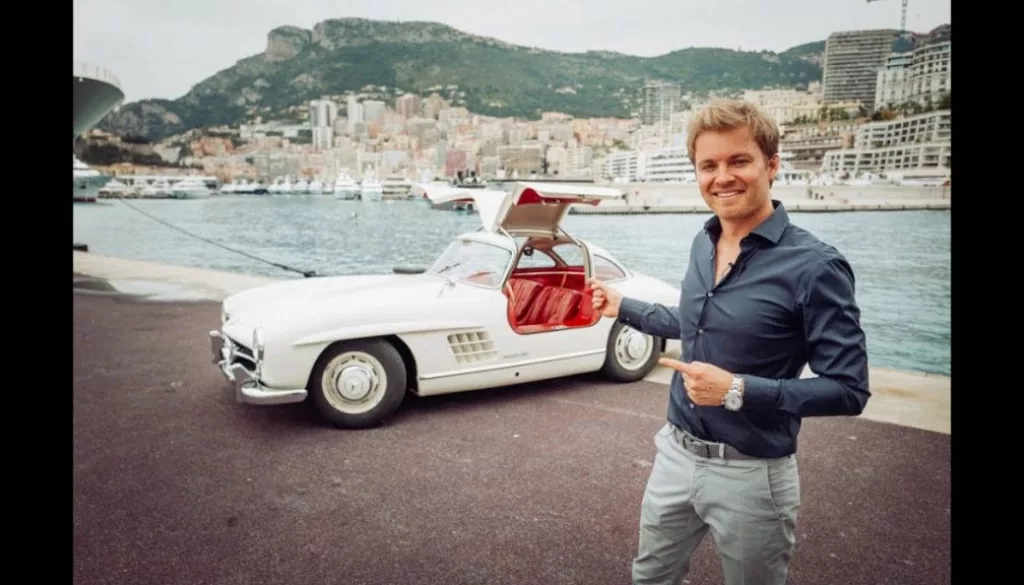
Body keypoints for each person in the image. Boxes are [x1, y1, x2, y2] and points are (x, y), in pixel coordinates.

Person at [589, 98, 870, 585]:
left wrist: (738, 389)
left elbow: (849, 389)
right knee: (650, 576)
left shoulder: (816, 267)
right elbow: (697, 323)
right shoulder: (704, 240)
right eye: (709, 165)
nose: (723, 177)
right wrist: (623, 306)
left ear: (772, 165)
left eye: (739, 160)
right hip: (675, 453)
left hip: (752, 474)